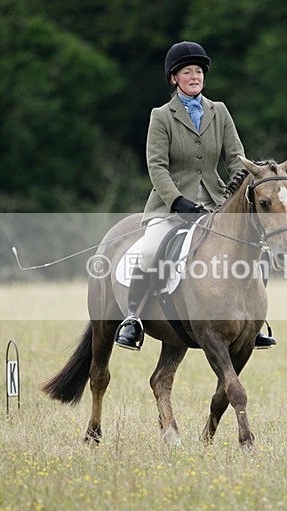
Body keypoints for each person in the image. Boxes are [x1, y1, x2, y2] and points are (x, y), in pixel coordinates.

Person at [114, 40, 277, 351]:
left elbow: (236, 160)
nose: (194, 76)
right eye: (187, 71)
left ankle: (253, 324)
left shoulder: (220, 111)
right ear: (174, 78)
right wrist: (178, 202)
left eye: (199, 71)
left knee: (259, 254)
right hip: (170, 206)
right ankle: (133, 320)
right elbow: (157, 167)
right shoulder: (161, 116)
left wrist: (248, 185)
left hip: (217, 203)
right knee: (149, 251)